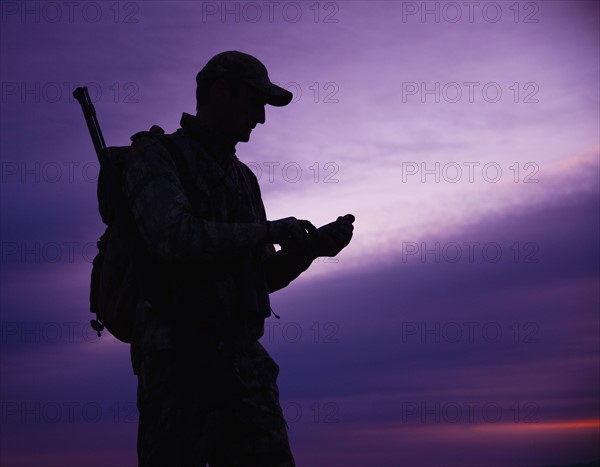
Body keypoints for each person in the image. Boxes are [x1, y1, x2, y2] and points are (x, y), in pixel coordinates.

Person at [121, 50, 355, 466]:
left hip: (244, 361)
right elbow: (175, 237)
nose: (261, 118)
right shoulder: (156, 157)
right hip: (178, 357)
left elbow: (260, 276)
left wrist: (309, 250)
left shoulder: (242, 177)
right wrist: (268, 231)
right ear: (221, 93)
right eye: (254, 103)